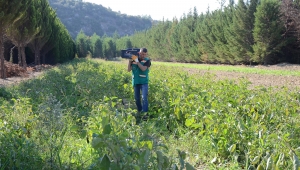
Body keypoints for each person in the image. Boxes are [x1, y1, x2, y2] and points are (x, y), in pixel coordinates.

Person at [127, 48, 151, 119]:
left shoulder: (147, 61)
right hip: (136, 82)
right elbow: (128, 70)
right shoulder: (133, 59)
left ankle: (145, 114)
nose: (143, 55)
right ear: (139, 53)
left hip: (144, 82)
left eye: (145, 54)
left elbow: (143, 68)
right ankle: (140, 111)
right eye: (142, 54)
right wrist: (130, 61)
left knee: (144, 98)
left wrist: (137, 61)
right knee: (137, 98)